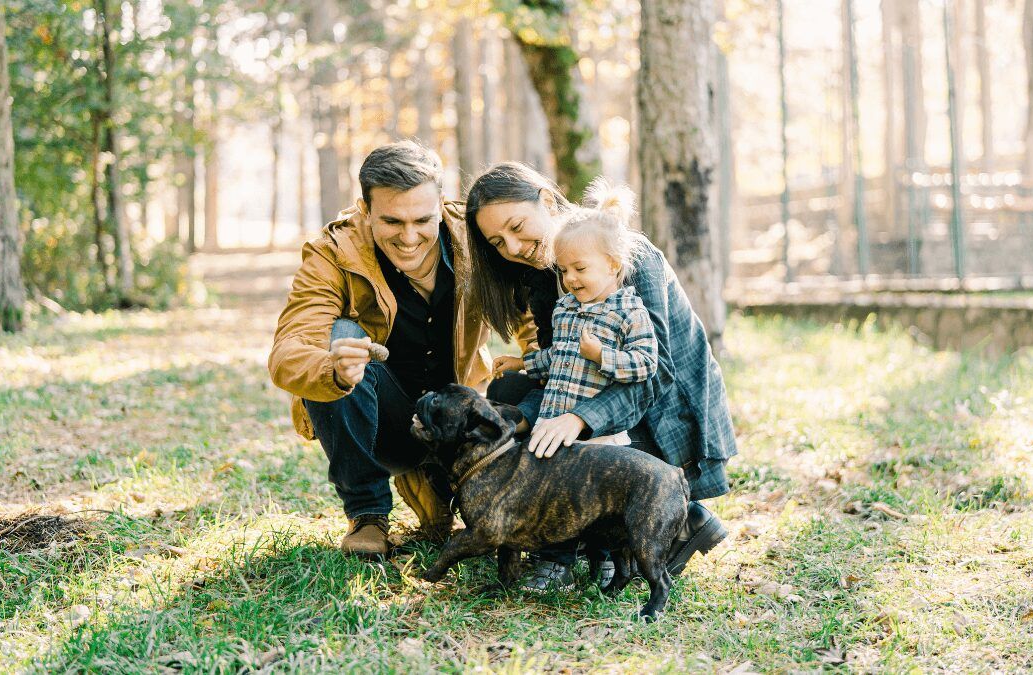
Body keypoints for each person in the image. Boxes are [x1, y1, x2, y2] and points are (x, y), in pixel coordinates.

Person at [466, 162, 737, 591]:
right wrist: (522, 417)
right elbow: (562, 366)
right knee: (509, 392)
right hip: (602, 399)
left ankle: (678, 519)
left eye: (517, 227)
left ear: (547, 201)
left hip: (664, 417)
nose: (513, 247)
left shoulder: (626, 256)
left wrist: (579, 419)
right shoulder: (546, 277)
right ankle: (569, 535)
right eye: (498, 242)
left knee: (570, 446)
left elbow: (653, 375)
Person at [268, 141, 532, 557]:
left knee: (524, 379)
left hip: (454, 419)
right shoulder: (333, 254)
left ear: (440, 205)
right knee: (340, 335)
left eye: (422, 220)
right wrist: (333, 368)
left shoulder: (474, 236)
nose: (409, 238)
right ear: (365, 209)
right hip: (382, 425)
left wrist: (540, 362)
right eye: (392, 221)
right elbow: (291, 347)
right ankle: (368, 514)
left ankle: (442, 479)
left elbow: (532, 312)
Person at [494, 179, 657, 449]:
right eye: (563, 270)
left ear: (613, 264)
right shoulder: (565, 308)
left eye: (580, 269)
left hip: (599, 434)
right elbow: (558, 357)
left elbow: (646, 364)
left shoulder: (630, 312)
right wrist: (522, 362)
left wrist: (602, 356)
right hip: (552, 421)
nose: (569, 278)